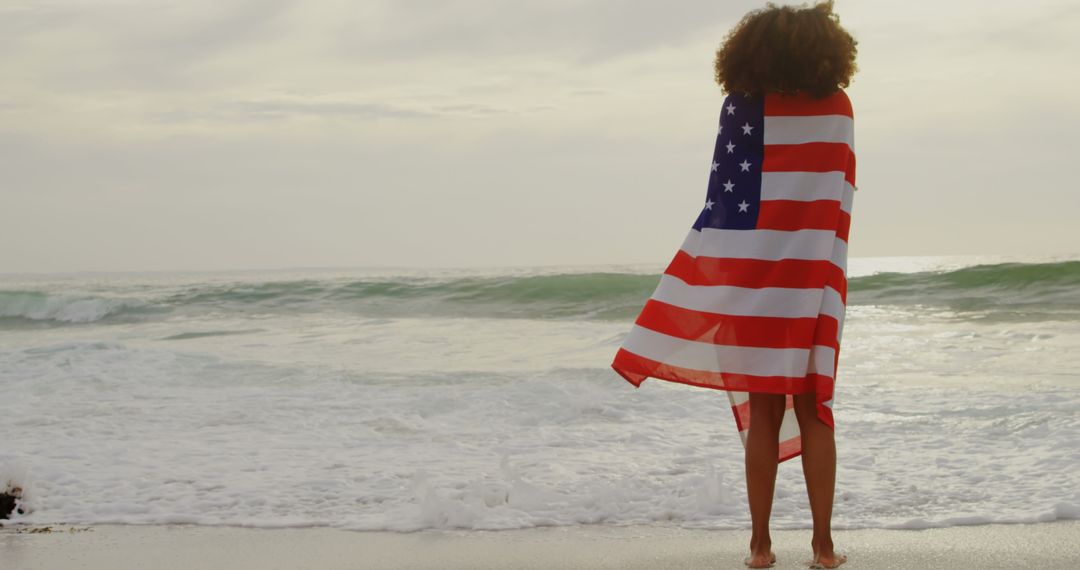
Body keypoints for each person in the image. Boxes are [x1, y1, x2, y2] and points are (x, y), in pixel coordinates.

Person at [611, 2, 857, 568]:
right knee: (816, 410)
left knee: (764, 411)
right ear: (826, 51)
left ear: (751, 51)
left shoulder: (741, 108)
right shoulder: (839, 107)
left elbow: (723, 204)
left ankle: (760, 546)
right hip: (813, 280)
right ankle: (823, 548)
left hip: (754, 281)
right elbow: (840, 197)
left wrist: (716, 276)